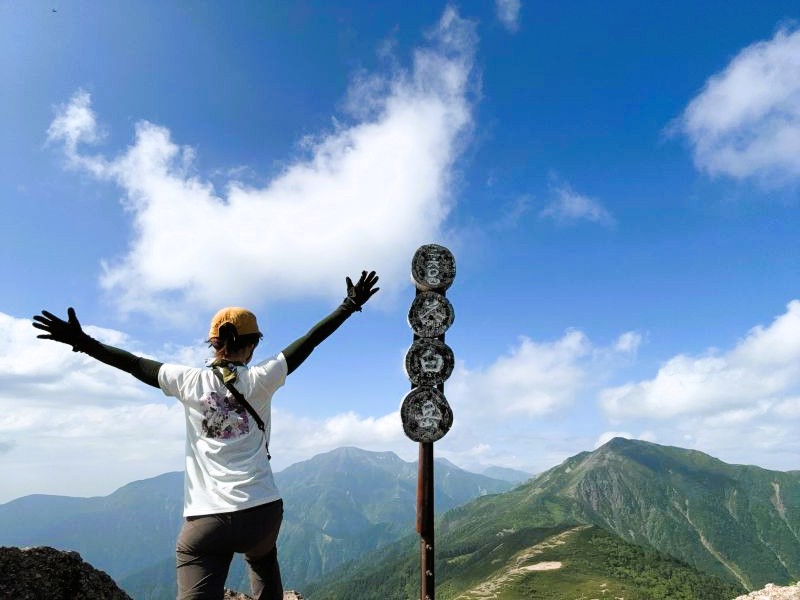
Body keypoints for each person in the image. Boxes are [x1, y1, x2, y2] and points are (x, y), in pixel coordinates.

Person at [32, 271, 380, 600]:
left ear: (214, 343)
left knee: (196, 561)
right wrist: (348, 306)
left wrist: (83, 342)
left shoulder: (186, 380)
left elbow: (134, 363)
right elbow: (309, 342)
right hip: (263, 511)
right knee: (263, 563)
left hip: (207, 519)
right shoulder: (262, 378)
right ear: (252, 345)